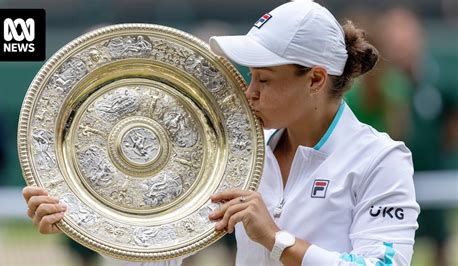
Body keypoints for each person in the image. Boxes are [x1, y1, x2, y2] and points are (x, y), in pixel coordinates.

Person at [22, 1, 420, 265]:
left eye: (264, 79)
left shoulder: (381, 160)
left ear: (315, 79)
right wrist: (82, 217)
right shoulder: (236, 156)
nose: (250, 92)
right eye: (251, 77)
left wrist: (276, 239)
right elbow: (163, 248)